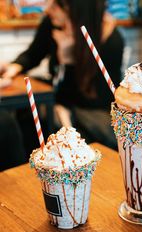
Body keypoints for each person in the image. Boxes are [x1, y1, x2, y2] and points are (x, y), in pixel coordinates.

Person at [0, 0, 124, 150]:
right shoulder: (52, 24)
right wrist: (14, 67)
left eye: (54, 6)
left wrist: (67, 61)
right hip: (62, 100)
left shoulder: (111, 40)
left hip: (92, 111)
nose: (47, 10)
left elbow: (99, 98)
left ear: (74, 11)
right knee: (25, 116)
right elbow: (33, 54)